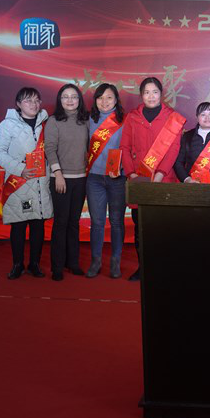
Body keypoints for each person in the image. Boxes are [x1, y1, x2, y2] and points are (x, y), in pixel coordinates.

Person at [120, 77, 186, 281]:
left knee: (162, 227)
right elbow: (124, 147)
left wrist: (159, 175)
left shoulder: (172, 118)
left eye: (155, 92)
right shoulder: (132, 117)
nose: (151, 96)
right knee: (140, 228)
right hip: (138, 180)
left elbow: (173, 150)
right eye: (146, 92)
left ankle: (162, 268)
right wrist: (132, 175)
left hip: (163, 180)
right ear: (141, 95)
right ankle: (143, 268)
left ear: (161, 94)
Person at [0, 87, 53, 279]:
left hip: (41, 183)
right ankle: (17, 264)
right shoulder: (7, 125)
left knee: (38, 225)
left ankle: (34, 264)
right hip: (19, 183)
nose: (33, 104)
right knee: (18, 225)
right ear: (18, 104)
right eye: (27, 100)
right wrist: (19, 169)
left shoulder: (47, 123)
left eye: (36, 100)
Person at [44, 83, 90, 281]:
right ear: (60, 100)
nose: (70, 100)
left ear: (79, 100)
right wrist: (58, 174)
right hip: (60, 179)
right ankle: (57, 266)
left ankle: (73, 262)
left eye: (74, 97)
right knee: (61, 223)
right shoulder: (53, 121)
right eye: (65, 97)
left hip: (81, 179)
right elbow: (50, 148)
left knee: (74, 223)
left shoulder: (86, 120)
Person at [85, 83, 126, 279]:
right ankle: (96, 261)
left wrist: (122, 167)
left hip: (117, 178)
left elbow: (131, 148)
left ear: (116, 100)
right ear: (95, 101)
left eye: (109, 97)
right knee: (97, 222)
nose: (104, 102)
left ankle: (115, 262)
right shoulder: (88, 120)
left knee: (116, 221)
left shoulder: (124, 121)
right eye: (100, 98)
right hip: (94, 178)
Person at [174, 102, 210, 184]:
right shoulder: (187, 137)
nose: (207, 118)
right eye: (203, 114)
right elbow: (178, 162)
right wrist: (187, 179)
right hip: (192, 186)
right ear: (197, 117)